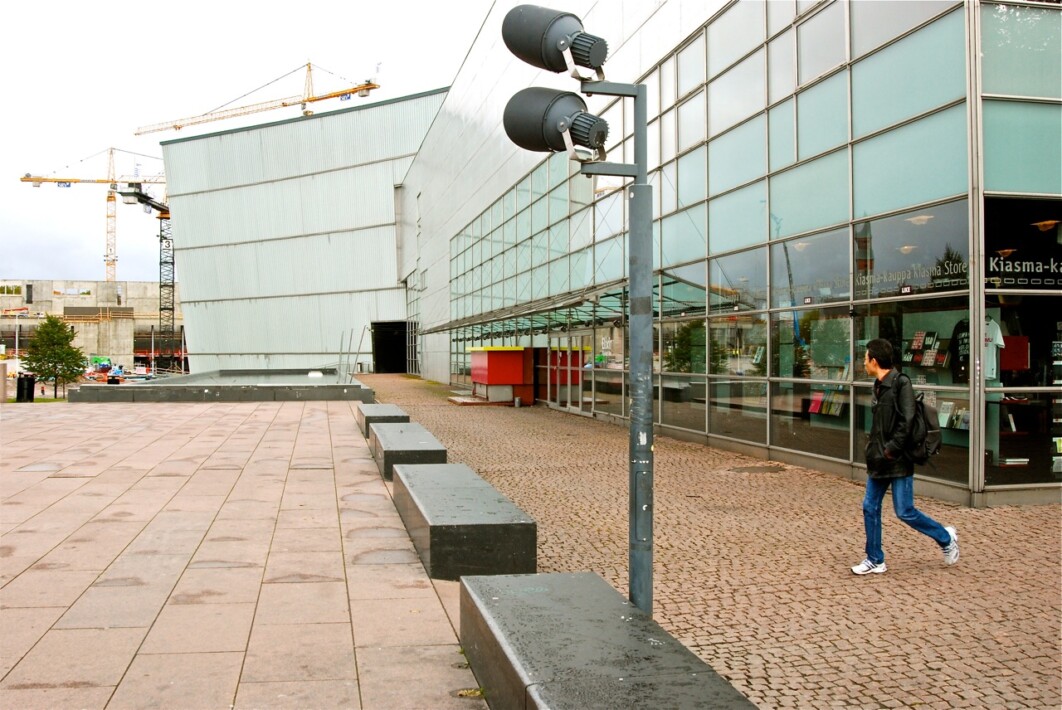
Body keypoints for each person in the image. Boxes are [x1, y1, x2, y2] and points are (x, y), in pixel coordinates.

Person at [852, 338, 959, 575]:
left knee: (905, 511)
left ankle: (946, 537)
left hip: (897, 458)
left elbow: (907, 421)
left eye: (865, 357)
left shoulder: (901, 383)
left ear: (875, 360)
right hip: (879, 459)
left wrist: (891, 449)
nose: (863, 362)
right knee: (869, 506)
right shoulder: (878, 385)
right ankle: (875, 559)